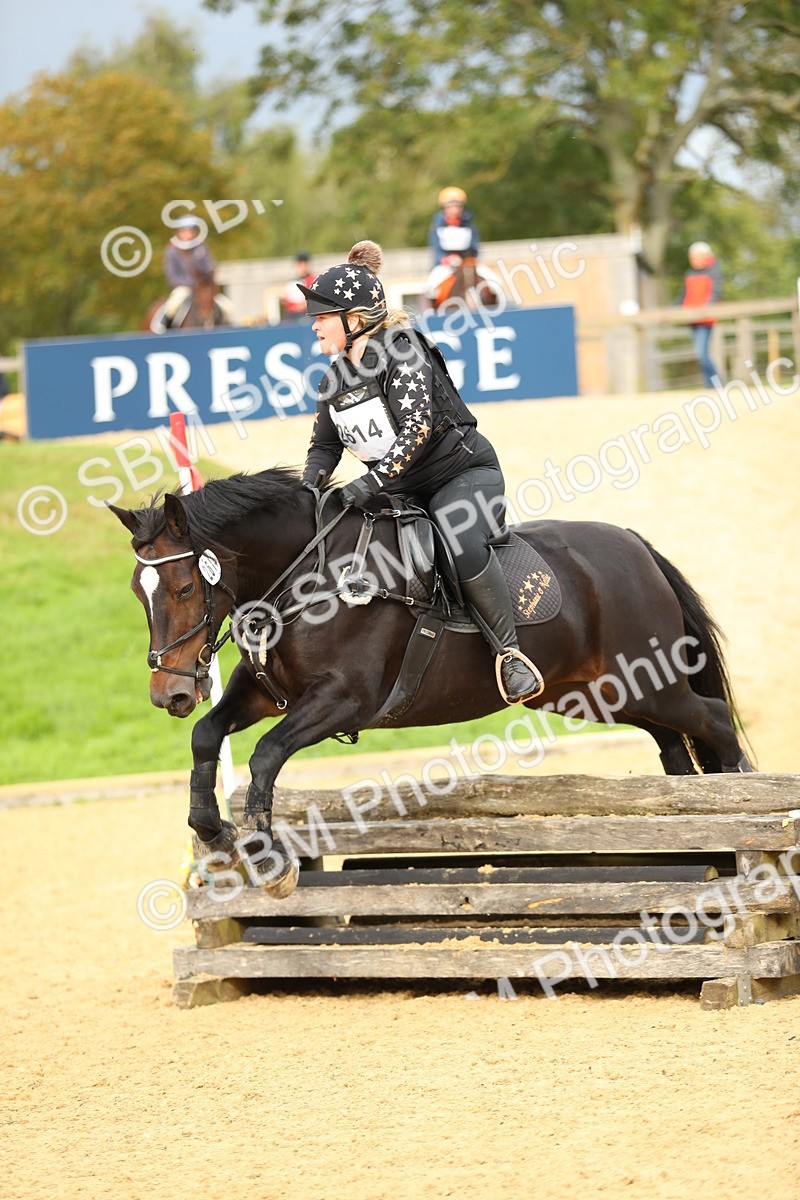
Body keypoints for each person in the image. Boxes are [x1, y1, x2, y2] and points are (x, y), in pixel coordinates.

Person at [298, 239, 543, 704]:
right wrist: (307, 491)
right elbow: (324, 448)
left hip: (461, 475)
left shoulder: (402, 350)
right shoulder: (333, 380)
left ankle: (510, 655)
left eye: (322, 317)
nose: (314, 326)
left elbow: (416, 432)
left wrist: (366, 483)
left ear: (354, 319)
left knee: (456, 535)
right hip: (400, 491)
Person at [162, 216, 234, 329]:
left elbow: (209, 265)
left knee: (228, 307)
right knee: (173, 306)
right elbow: (172, 275)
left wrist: (206, 279)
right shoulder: (172, 250)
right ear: (178, 232)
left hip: (203, 288)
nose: (187, 234)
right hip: (184, 287)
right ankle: (166, 328)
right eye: (184, 231)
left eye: (190, 231)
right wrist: (190, 283)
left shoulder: (201, 247)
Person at [680, 241, 722, 386]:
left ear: (706, 256)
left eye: (698, 256)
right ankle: (710, 385)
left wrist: (705, 310)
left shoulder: (714, 272)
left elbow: (715, 293)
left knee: (701, 354)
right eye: (693, 257)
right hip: (692, 319)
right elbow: (683, 295)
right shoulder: (689, 274)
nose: (695, 260)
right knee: (701, 354)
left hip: (705, 319)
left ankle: (716, 384)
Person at [428, 186, 480, 267]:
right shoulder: (436, 226)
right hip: (444, 266)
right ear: (444, 208)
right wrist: (446, 259)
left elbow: (474, 247)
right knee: (434, 279)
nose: (455, 210)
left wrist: (467, 258)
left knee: (489, 277)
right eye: (450, 207)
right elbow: (436, 250)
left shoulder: (469, 225)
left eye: (458, 206)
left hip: (467, 264)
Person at [283, 251, 316, 321]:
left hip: (308, 314)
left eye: (304, 264)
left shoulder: (314, 280)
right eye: (300, 265)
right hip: (293, 315)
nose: (302, 267)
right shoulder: (291, 283)